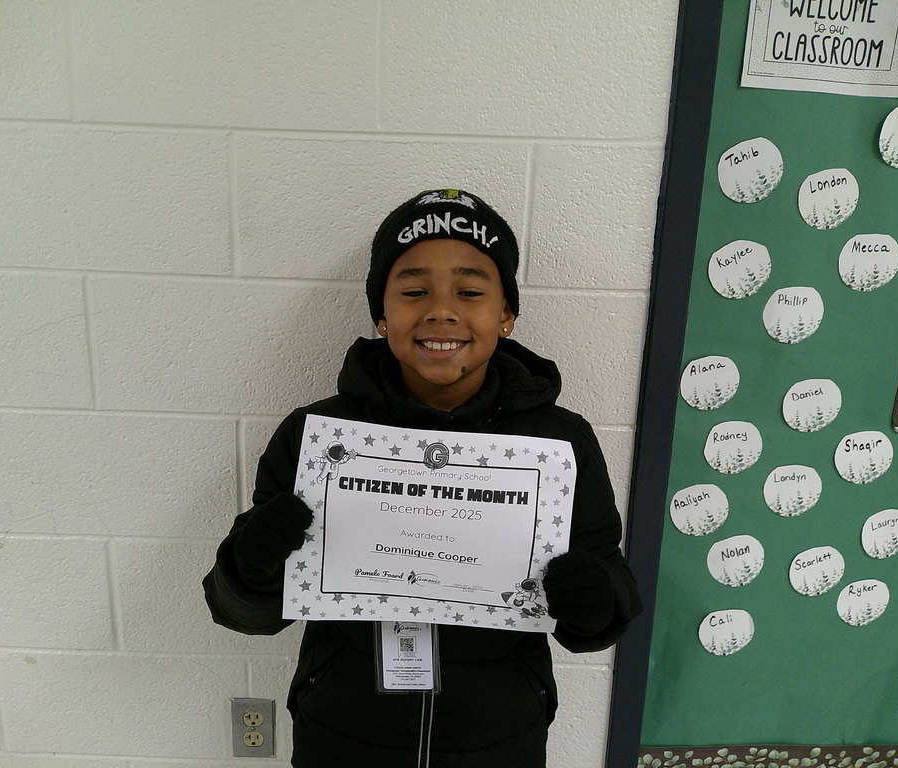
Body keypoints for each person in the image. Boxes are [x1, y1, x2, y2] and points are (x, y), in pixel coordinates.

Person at [203, 189, 641, 767]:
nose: (441, 310)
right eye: (413, 291)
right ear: (382, 316)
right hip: (342, 737)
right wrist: (249, 567)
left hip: (498, 740)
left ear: (505, 315)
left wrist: (593, 601)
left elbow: (606, 598)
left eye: (471, 291)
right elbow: (246, 613)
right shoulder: (319, 437)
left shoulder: (558, 444)